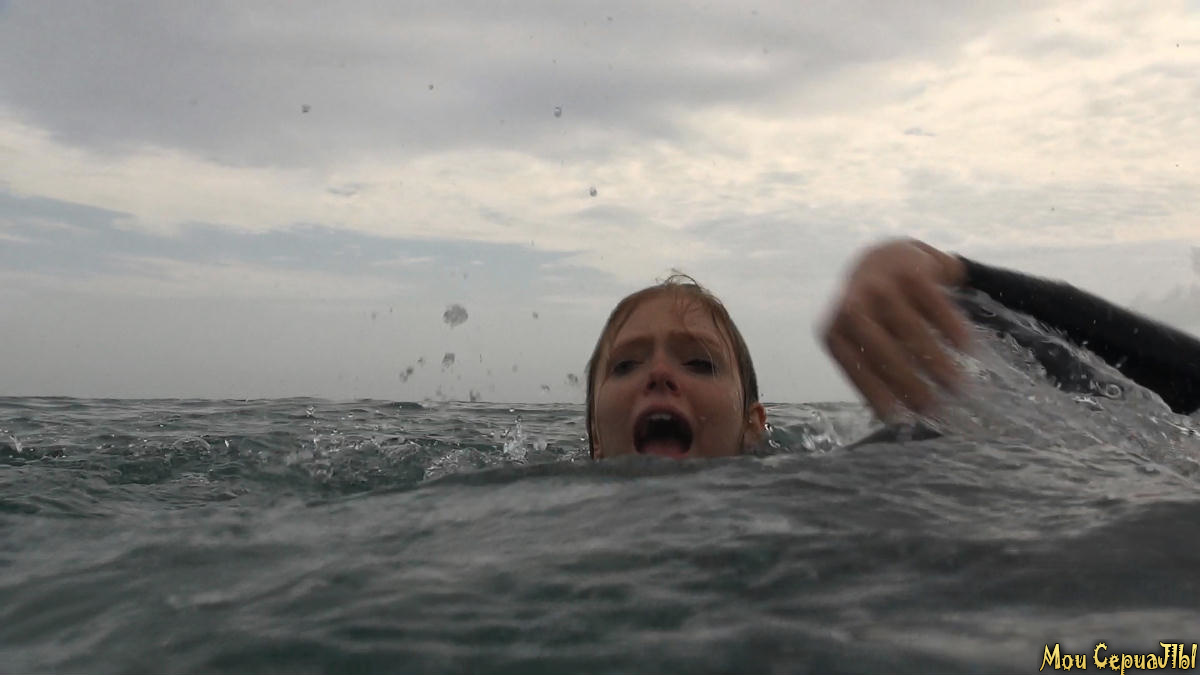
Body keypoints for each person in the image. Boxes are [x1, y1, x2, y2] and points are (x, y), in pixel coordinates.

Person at [585, 239, 1200, 459]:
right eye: (626, 365)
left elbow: (1172, 402)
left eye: (699, 362)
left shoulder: (827, 487)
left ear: (754, 426)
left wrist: (955, 273)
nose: (658, 374)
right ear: (591, 434)